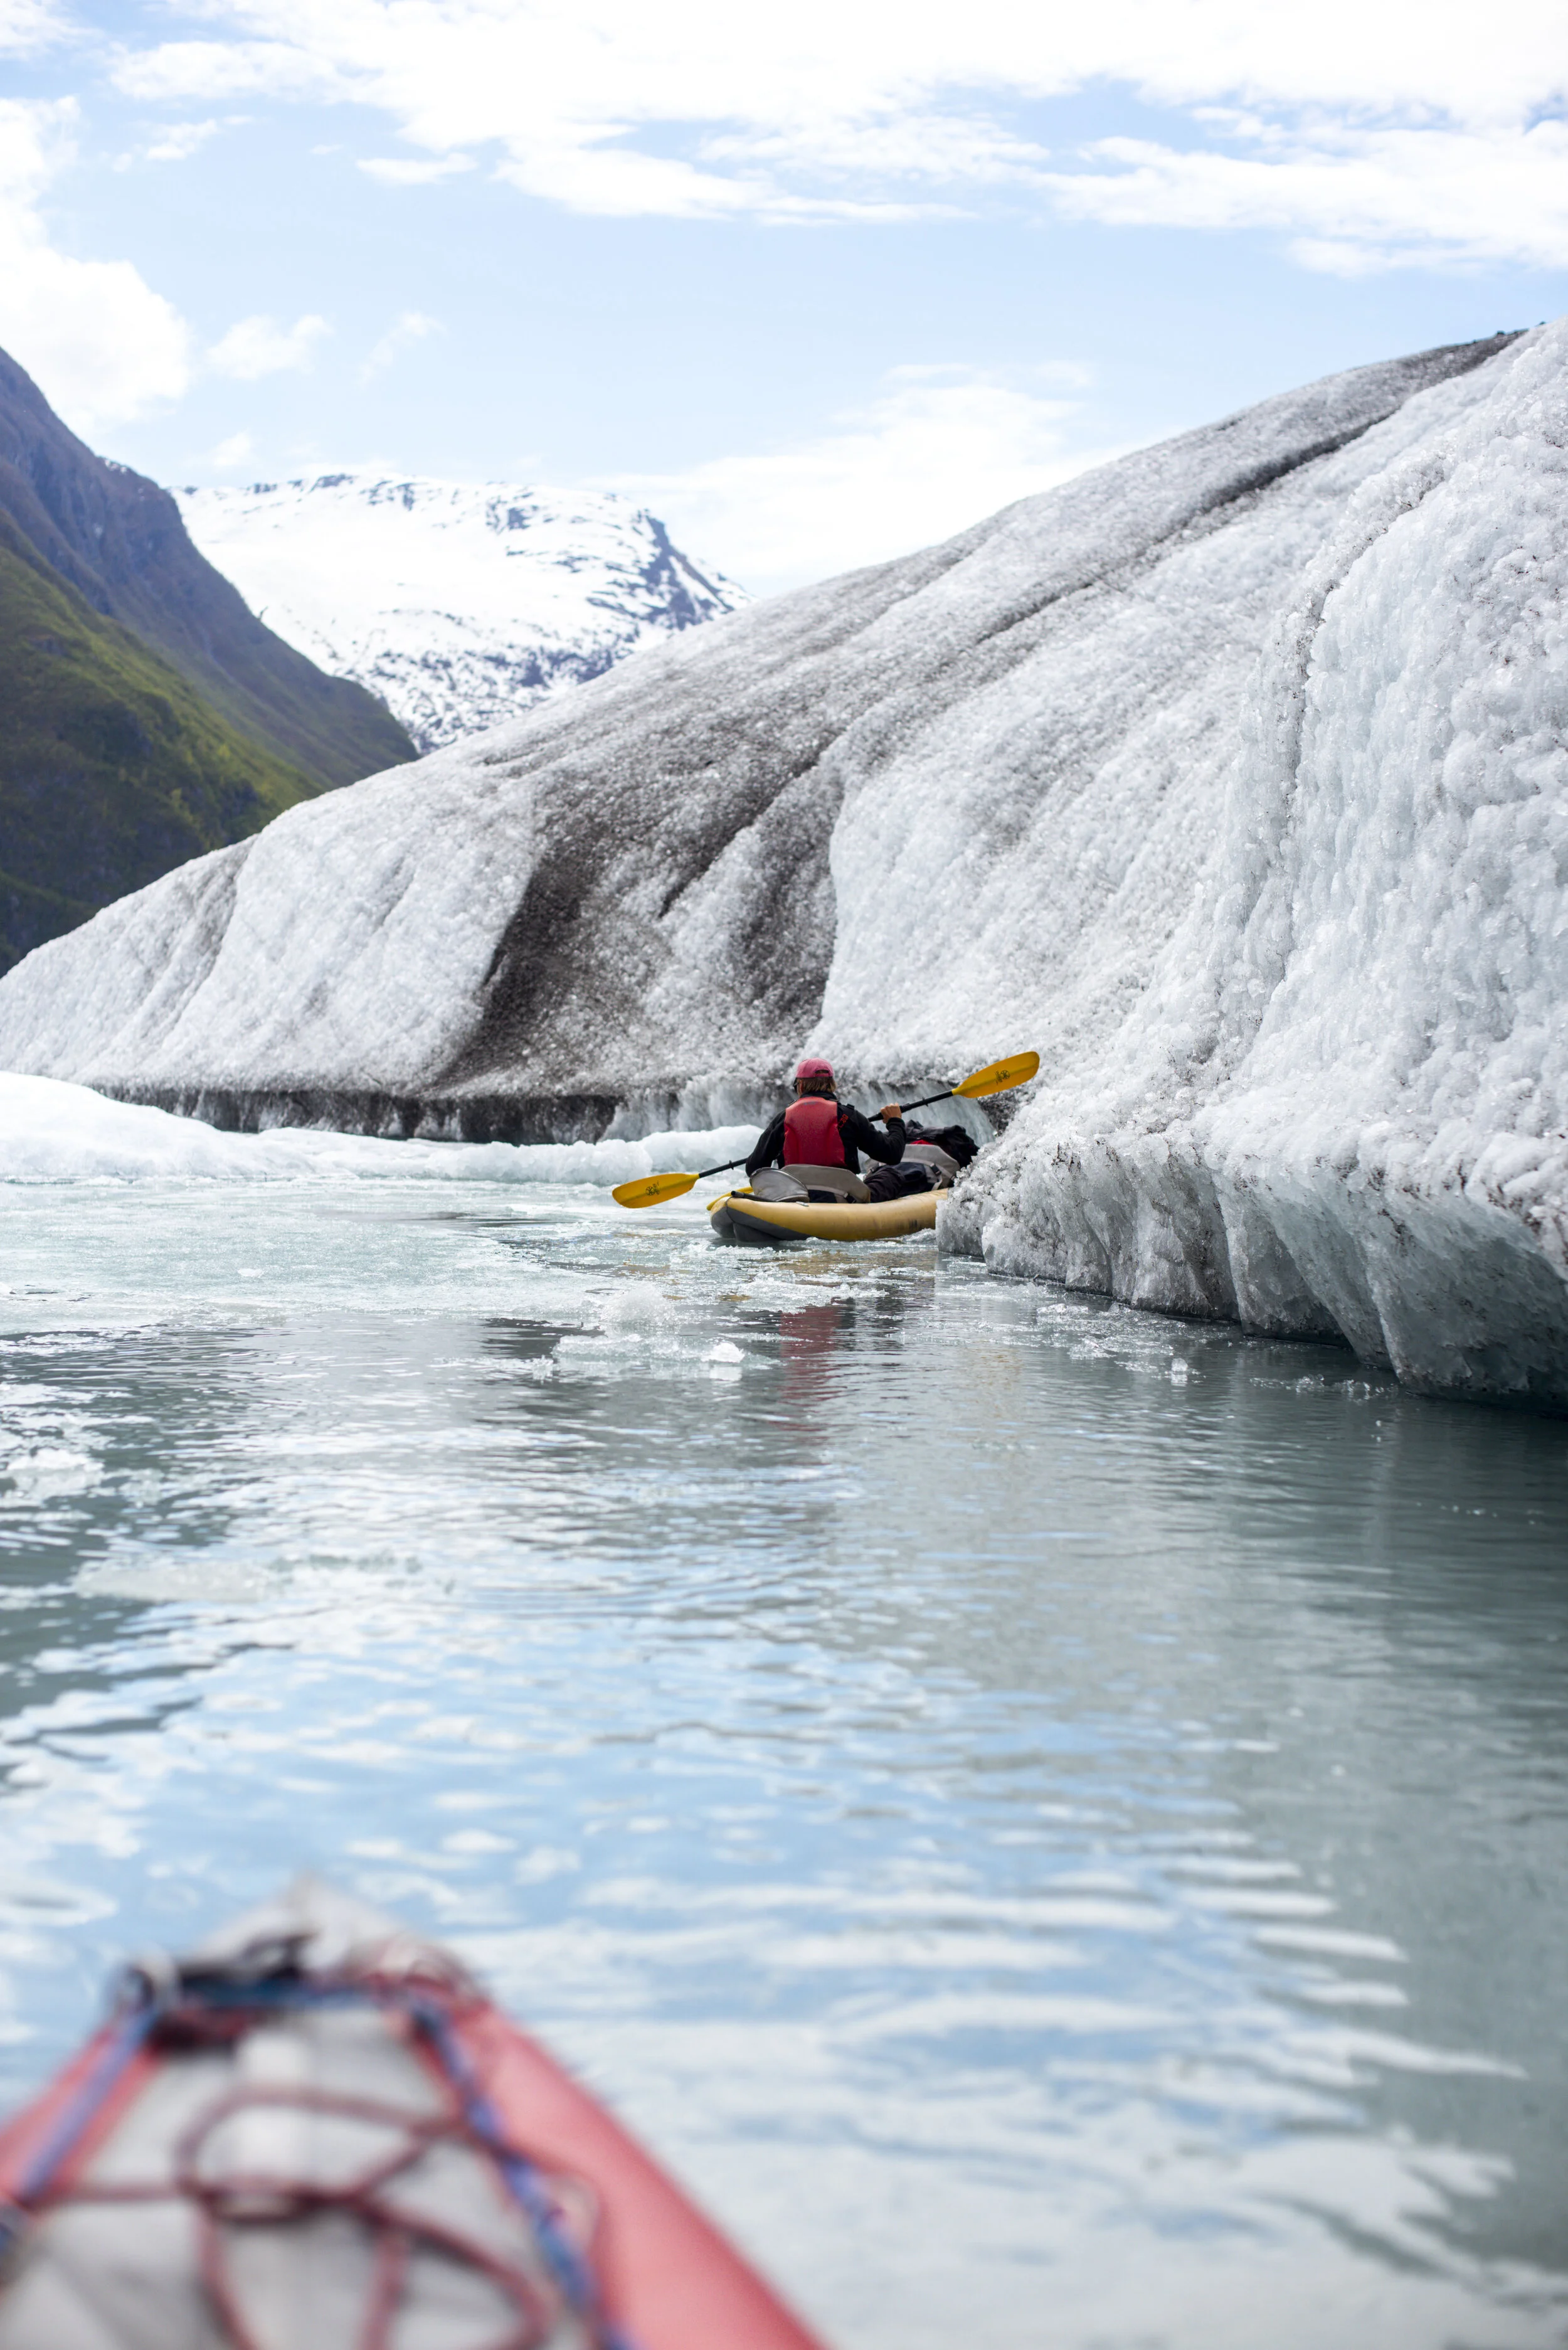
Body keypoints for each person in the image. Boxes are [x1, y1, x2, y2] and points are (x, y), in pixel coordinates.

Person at [746, 1058, 907, 1179]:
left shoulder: (784, 1119)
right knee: (888, 1173)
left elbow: (754, 1168)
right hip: (842, 1199)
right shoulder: (849, 1116)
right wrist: (895, 1122)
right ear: (832, 1085)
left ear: (800, 1086)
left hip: (794, 1198)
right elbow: (892, 1154)